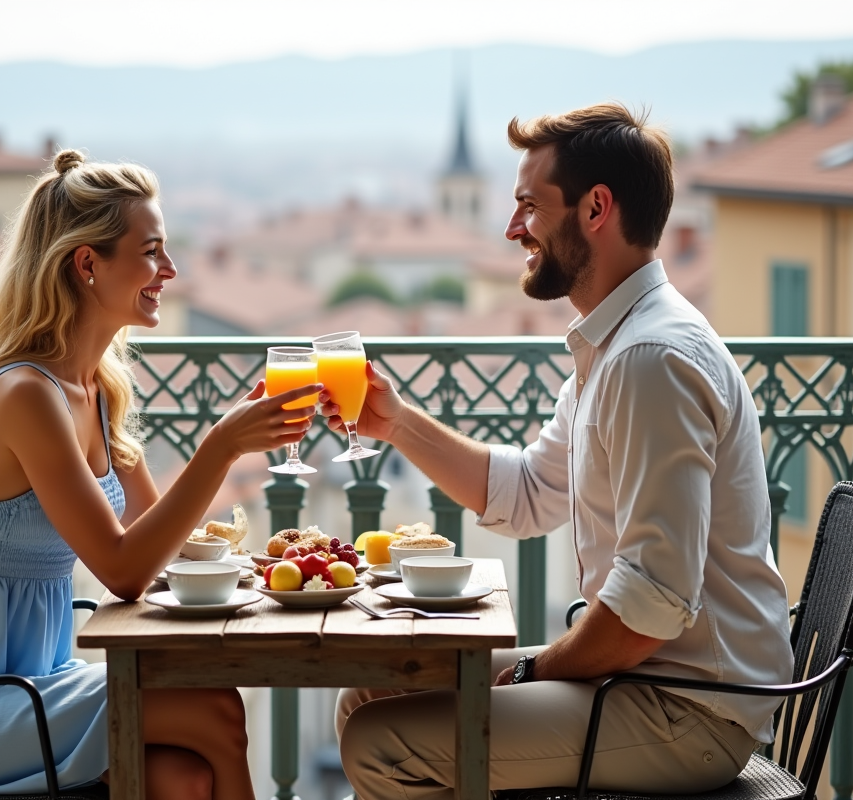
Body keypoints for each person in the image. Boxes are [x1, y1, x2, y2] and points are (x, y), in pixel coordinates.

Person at [324, 104, 794, 798]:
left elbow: (650, 606)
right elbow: (527, 495)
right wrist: (396, 424)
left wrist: (532, 672)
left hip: (689, 709)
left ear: (596, 208)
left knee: (382, 740)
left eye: (530, 206)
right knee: (370, 694)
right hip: (643, 679)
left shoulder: (649, 359)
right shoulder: (616, 345)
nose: (513, 228)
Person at [0, 149, 319, 799]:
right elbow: (124, 570)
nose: (170, 270)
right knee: (216, 706)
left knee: (185, 778)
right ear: (87, 264)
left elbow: (159, 544)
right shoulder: (27, 394)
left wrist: (266, 567)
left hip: (33, 687)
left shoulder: (99, 389)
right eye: (152, 252)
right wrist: (221, 446)